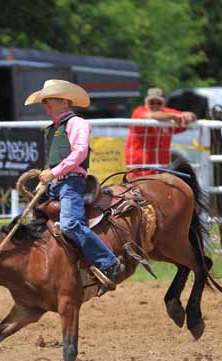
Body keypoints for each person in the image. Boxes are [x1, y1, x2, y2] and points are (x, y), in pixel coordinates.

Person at [25, 79, 124, 296]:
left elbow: (79, 153)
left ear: (65, 103)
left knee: (70, 224)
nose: (47, 105)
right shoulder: (52, 130)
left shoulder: (76, 123)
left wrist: (54, 172)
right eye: (45, 101)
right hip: (55, 183)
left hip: (71, 182)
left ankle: (109, 261)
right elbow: (55, 160)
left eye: (51, 100)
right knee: (33, 225)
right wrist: (46, 178)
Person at [125, 87, 197, 178]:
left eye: (159, 103)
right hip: (138, 168)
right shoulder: (139, 111)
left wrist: (189, 116)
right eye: (152, 102)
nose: (155, 105)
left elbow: (189, 115)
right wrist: (174, 117)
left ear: (163, 103)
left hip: (161, 168)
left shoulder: (166, 113)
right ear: (145, 102)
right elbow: (151, 116)